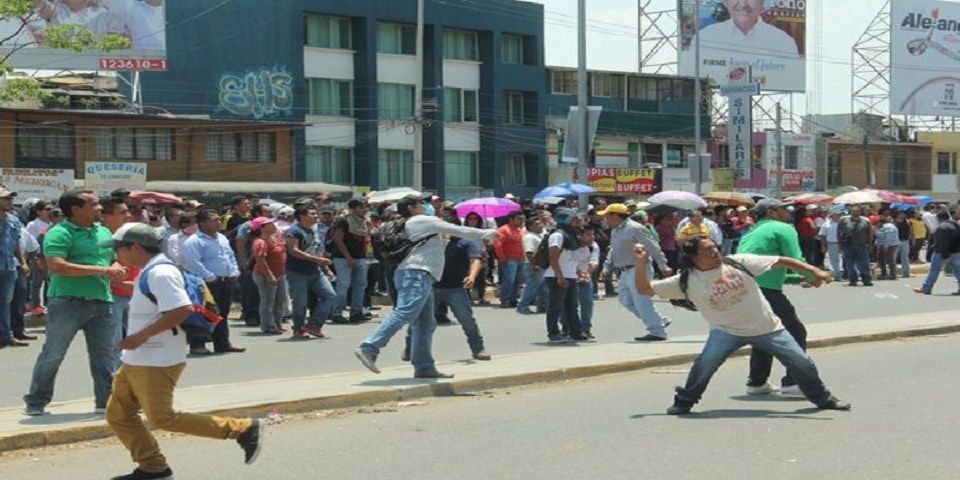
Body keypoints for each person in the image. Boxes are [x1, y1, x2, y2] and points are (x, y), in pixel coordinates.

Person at [102, 223, 262, 480]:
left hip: (156, 359)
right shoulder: (152, 270)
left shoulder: (161, 272)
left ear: (135, 247)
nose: (115, 254)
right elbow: (155, 297)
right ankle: (153, 467)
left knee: (163, 417)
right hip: (138, 358)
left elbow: (181, 310)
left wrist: (139, 337)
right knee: (118, 415)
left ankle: (241, 429)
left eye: (118, 248)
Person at [632, 237, 850, 415]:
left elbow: (782, 260)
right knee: (704, 365)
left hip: (768, 328)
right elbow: (645, 289)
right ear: (693, 257)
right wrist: (641, 263)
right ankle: (685, 401)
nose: (715, 252)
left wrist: (814, 271)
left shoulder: (738, 262)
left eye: (715, 247)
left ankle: (823, 398)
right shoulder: (685, 281)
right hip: (726, 332)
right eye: (708, 250)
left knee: (801, 362)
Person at [355, 196, 497, 378]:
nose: (425, 206)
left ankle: (424, 367)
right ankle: (369, 348)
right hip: (417, 273)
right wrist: (486, 233)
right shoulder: (422, 220)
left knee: (425, 322)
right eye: (421, 204)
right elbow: (457, 229)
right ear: (412, 208)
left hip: (418, 274)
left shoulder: (411, 223)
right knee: (405, 312)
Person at [24, 190, 127, 415]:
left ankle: (106, 402)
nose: (100, 208)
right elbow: (56, 265)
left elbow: (111, 261)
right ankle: (36, 401)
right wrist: (103, 270)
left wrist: (117, 270)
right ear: (75, 209)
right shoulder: (59, 232)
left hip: (102, 301)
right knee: (53, 353)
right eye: (94, 204)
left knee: (105, 355)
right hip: (67, 302)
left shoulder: (103, 232)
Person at [737, 199, 818, 395]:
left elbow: (769, 269)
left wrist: (797, 280)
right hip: (764, 290)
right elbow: (795, 259)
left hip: (743, 288)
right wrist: (815, 275)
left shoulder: (752, 233)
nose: (789, 211)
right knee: (795, 332)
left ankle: (756, 382)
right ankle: (793, 382)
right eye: (784, 209)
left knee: (764, 334)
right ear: (772, 212)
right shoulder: (782, 228)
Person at [599, 203, 673, 341]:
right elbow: (613, 250)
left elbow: (653, 247)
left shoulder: (635, 228)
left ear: (615, 216)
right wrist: (606, 267)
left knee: (641, 301)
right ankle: (659, 320)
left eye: (606, 216)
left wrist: (663, 265)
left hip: (639, 269)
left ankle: (657, 331)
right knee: (625, 300)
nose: (605, 219)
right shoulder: (615, 230)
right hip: (625, 271)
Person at [423, 216, 491, 361]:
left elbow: (475, 260)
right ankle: (411, 347)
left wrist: (472, 276)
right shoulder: (433, 243)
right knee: (422, 321)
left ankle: (478, 349)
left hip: (456, 288)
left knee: (467, 320)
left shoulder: (466, 243)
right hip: (432, 286)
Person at [181, 209, 244, 355]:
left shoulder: (222, 238)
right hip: (207, 283)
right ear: (202, 223)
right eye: (214, 220)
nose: (218, 222)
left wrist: (234, 271)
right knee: (204, 312)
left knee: (222, 313)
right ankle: (198, 344)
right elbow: (193, 263)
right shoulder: (194, 241)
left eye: (218, 219)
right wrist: (210, 276)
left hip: (226, 280)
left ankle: (222, 343)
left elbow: (230, 256)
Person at [284, 205, 336, 339]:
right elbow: (293, 251)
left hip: (315, 270)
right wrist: (318, 260)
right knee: (300, 302)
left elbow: (317, 251)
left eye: (316, 213)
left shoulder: (313, 231)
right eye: (312, 214)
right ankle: (299, 329)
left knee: (329, 295)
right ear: (301, 216)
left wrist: (326, 268)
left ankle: (314, 325)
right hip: (297, 271)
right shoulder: (294, 230)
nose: (316, 216)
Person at [542, 208, 588, 343]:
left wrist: (578, 272)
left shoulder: (571, 236)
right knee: (555, 305)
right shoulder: (558, 235)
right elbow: (553, 257)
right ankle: (553, 333)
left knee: (572, 305)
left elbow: (570, 257)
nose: (578, 222)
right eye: (575, 219)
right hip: (556, 275)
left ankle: (575, 331)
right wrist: (560, 276)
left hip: (570, 275)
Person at [329, 199, 371, 323]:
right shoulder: (343, 221)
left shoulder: (364, 221)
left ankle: (356, 312)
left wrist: (367, 258)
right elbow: (338, 239)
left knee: (360, 285)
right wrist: (348, 257)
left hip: (360, 257)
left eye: (365, 207)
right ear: (353, 209)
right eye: (361, 207)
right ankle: (337, 313)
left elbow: (366, 241)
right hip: (342, 258)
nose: (364, 209)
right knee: (343, 285)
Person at [1, 187, 30, 347]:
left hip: (9, 266)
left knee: (6, 302)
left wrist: (23, 262)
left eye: (11, 198)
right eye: (5, 198)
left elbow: (16, 244)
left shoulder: (13, 220)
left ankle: (6, 336)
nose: (10, 201)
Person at [250, 217, 287, 335]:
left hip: (280, 274)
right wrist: (269, 275)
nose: (273, 225)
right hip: (265, 275)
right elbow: (260, 260)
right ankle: (269, 326)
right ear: (262, 228)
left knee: (280, 300)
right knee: (268, 300)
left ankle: (277, 323)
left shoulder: (274, 238)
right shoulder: (260, 242)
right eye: (269, 223)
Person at [915, 210, 960, 295]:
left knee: (934, 271)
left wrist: (945, 254)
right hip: (955, 252)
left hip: (941, 252)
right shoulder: (956, 225)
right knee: (958, 271)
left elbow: (944, 242)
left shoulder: (941, 227)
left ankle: (927, 287)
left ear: (939, 218)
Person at [493, 211, 526, 309]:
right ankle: (505, 300)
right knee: (509, 280)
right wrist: (502, 258)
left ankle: (513, 299)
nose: (521, 221)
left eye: (522, 219)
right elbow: (498, 245)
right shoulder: (504, 230)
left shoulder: (521, 230)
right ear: (511, 219)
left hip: (520, 258)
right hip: (509, 259)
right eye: (519, 219)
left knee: (517, 281)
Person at [516, 217, 547, 315]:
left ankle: (543, 306)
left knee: (543, 287)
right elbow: (529, 252)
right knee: (531, 287)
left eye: (541, 223)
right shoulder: (530, 237)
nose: (541, 226)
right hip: (533, 265)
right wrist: (534, 264)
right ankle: (522, 306)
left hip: (541, 265)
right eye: (537, 224)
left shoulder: (538, 236)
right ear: (530, 226)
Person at [838, 205, 873, 287]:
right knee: (850, 265)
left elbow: (870, 233)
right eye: (853, 211)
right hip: (848, 246)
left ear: (860, 212)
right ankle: (853, 280)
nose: (855, 212)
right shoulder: (844, 220)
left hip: (862, 246)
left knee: (864, 264)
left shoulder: (865, 220)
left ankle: (866, 280)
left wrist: (870, 244)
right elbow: (839, 232)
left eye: (857, 211)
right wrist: (839, 244)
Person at [574, 225, 600, 339]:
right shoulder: (572, 246)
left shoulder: (594, 246)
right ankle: (568, 327)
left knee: (587, 302)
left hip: (585, 278)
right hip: (571, 277)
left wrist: (588, 274)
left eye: (592, 234)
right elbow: (569, 261)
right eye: (588, 235)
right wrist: (579, 273)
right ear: (580, 236)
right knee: (570, 305)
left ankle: (585, 328)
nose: (592, 237)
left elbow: (594, 262)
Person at [818, 210, 844, 281]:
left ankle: (846, 274)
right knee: (834, 260)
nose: (838, 216)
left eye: (839, 214)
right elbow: (822, 236)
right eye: (837, 214)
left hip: (843, 243)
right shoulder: (826, 224)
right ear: (832, 215)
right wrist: (823, 246)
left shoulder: (843, 223)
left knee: (844, 259)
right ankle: (837, 275)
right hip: (832, 243)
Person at [894, 210, 912, 277]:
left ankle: (906, 272)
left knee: (905, 257)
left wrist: (912, 240)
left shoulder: (907, 222)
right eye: (901, 213)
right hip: (895, 241)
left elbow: (911, 231)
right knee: (894, 257)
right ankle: (893, 272)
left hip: (905, 240)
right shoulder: (893, 222)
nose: (902, 215)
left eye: (903, 213)